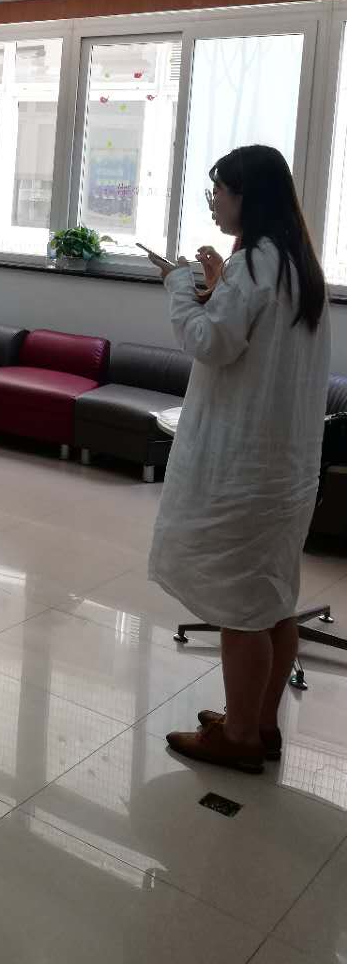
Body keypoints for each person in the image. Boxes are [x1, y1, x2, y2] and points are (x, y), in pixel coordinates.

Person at [148, 145, 330, 773]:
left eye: (219, 192)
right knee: (272, 600)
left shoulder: (255, 262)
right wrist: (219, 285)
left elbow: (210, 341)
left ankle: (240, 739)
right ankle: (260, 723)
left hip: (244, 470)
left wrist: (179, 286)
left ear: (248, 196)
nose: (214, 203)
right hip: (286, 470)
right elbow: (255, 340)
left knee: (241, 610)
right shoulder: (297, 266)